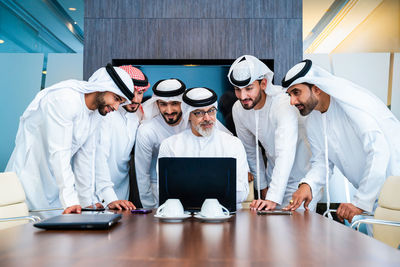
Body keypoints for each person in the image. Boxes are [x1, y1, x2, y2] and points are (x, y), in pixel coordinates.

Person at [6, 64, 136, 214]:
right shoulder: (64, 99)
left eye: (120, 102)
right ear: (102, 86)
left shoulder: (95, 115)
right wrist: (70, 201)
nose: (115, 107)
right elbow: (59, 152)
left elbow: (85, 158)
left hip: (54, 186)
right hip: (29, 179)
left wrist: (87, 202)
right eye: (116, 99)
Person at [282, 59, 400, 222]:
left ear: (316, 89)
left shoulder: (351, 105)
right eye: (290, 94)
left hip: (394, 195)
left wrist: (360, 202)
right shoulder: (313, 121)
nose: (292, 101)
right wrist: (307, 185)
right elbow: (322, 162)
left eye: (296, 93)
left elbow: (379, 151)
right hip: (371, 200)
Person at [227, 55, 314, 211]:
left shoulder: (283, 103)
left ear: (263, 83)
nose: (243, 96)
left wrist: (273, 196)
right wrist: (263, 186)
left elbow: (285, 152)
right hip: (273, 176)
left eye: (249, 88)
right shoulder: (238, 109)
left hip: (301, 180)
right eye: (237, 90)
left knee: (299, 231)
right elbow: (251, 151)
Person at [158, 87, 249, 209]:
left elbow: (242, 192)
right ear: (188, 115)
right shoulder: (170, 146)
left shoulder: (233, 144)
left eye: (211, 111)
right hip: (183, 216)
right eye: (199, 113)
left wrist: (194, 192)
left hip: (226, 217)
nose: (207, 118)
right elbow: (165, 193)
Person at [92, 66, 150, 211]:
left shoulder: (137, 116)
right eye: (131, 93)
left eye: (140, 93)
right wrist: (109, 197)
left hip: (122, 191)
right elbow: (98, 159)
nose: (135, 99)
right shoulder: (105, 114)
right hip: (97, 192)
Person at [135, 78, 188, 208]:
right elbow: (142, 174)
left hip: (192, 188)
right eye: (163, 104)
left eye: (175, 103)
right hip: (158, 191)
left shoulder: (194, 122)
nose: (169, 111)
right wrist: (149, 207)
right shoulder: (147, 130)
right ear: (156, 104)